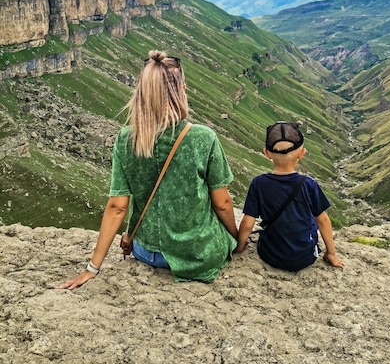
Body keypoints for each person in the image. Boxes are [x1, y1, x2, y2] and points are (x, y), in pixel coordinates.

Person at [58, 51, 238, 289]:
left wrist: (92, 268)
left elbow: (117, 206)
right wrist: (234, 237)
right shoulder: (202, 137)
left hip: (146, 252)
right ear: (181, 90)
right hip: (197, 254)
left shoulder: (126, 139)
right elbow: (223, 203)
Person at [235, 121, 344, 271]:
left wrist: (240, 246)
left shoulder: (258, 183)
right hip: (305, 257)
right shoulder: (309, 184)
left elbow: (248, 222)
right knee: (311, 220)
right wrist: (331, 253)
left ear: (266, 153)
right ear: (302, 153)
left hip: (270, 255)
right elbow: (323, 220)